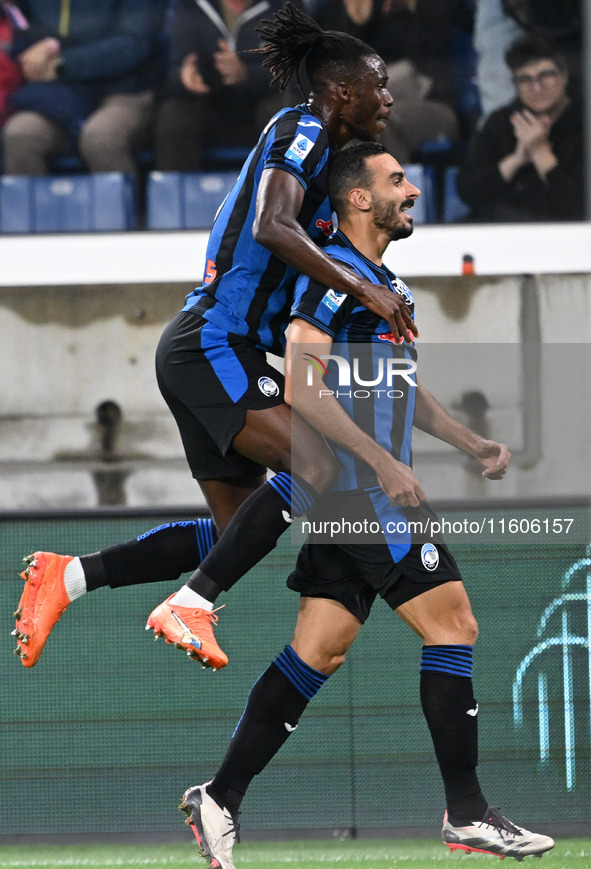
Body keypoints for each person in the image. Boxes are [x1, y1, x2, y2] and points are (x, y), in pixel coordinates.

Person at [177, 142, 555, 869]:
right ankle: (467, 811)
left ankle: (220, 796)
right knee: (454, 624)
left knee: (318, 651)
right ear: (357, 199)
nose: (411, 190)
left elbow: (399, 391)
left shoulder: (384, 284)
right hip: (362, 492)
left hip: (362, 490)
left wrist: (468, 440)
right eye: (396, 181)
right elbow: (303, 393)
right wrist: (382, 463)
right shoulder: (329, 282)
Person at [14, 4, 418, 669]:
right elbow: (268, 225)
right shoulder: (304, 126)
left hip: (206, 348)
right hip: (212, 342)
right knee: (317, 467)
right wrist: (363, 290)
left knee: (237, 534)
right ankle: (190, 604)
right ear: (344, 88)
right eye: (379, 83)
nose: (389, 95)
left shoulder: (329, 157)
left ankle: (71, 577)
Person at [1, 0, 167, 176]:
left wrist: (64, 63)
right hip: (59, 95)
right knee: (20, 135)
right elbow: (17, 27)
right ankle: (39, 204)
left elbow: (135, 43)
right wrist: (33, 52)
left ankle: (126, 204)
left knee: (101, 139)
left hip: (127, 91)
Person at [154, 0, 298, 171]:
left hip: (262, 104)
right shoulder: (190, 5)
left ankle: (287, 193)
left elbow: (297, 70)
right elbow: (173, 68)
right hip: (209, 105)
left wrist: (247, 74)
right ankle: (176, 196)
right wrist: (185, 77)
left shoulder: (284, 5)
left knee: (288, 116)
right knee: (175, 117)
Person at [456, 35, 584, 222]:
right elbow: (468, 191)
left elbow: (577, 206)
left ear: (563, 76)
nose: (536, 87)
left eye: (545, 76)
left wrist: (540, 152)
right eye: (525, 79)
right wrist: (516, 160)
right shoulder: (501, 121)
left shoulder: (583, 122)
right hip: (504, 231)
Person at [315, 0, 459, 164]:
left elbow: (432, 45)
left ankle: (393, 187)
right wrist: (356, 22)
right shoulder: (338, 9)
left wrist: (398, 13)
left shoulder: (420, 7)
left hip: (430, 101)